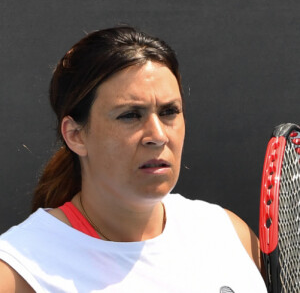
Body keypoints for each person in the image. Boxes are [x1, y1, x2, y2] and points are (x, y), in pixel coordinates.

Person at [0, 26, 267, 292]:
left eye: (169, 112)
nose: (158, 135)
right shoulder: (17, 270)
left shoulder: (228, 233)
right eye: (130, 115)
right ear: (75, 135)